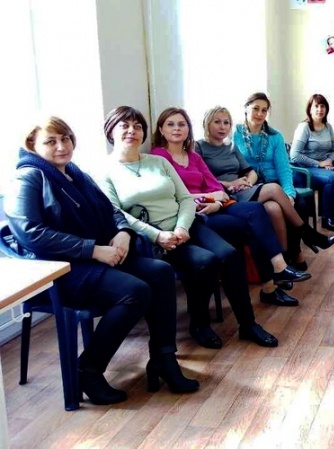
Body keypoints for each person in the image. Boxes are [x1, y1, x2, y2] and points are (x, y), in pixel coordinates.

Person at [4, 117, 198, 405]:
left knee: (160, 271)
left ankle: (163, 358)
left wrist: (123, 232)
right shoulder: (28, 177)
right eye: (51, 141)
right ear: (32, 145)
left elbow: (111, 209)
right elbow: (30, 233)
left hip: (95, 255)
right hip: (60, 269)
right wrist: (92, 250)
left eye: (66, 138)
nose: (62, 146)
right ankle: (89, 370)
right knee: (135, 291)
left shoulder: (75, 172)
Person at [95, 106, 280, 349]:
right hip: (154, 238)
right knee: (205, 261)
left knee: (230, 254)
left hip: (186, 225)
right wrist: (158, 235)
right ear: (110, 131)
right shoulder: (104, 171)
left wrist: (182, 227)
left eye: (137, 126)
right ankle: (200, 324)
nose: (132, 131)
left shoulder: (158, 162)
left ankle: (248, 324)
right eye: (124, 126)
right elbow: (116, 213)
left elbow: (184, 198)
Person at [150, 107, 312, 306]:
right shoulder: (158, 157)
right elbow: (171, 195)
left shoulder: (193, 156)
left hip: (213, 206)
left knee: (257, 210)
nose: (177, 128)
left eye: (181, 124)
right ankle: (272, 283)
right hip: (190, 214)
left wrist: (217, 201)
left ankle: (278, 268)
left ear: (188, 129)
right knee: (252, 226)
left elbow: (214, 185)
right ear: (161, 129)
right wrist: (211, 197)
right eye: (171, 124)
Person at [229, 94, 334, 268]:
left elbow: (284, 168)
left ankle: (294, 253)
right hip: (251, 185)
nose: (260, 114)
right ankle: (302, 245)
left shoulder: (275, 136)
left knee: (299, 204)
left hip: (275, 183)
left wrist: (289, 193)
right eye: (255, 108)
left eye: (264, 110)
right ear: (246, 108)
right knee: (276, 208)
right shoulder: (234, 135)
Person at [290, 94, 334, 231]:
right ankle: (327, 217)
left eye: (322, 106)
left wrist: (329, 161)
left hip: (324, 166)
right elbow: (294, 155)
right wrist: (318, 164)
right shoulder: (304, 127)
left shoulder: (328, 127)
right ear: (310, 109)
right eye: (316, 106)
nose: (320, 109)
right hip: (306, 168)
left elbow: (333, 149)